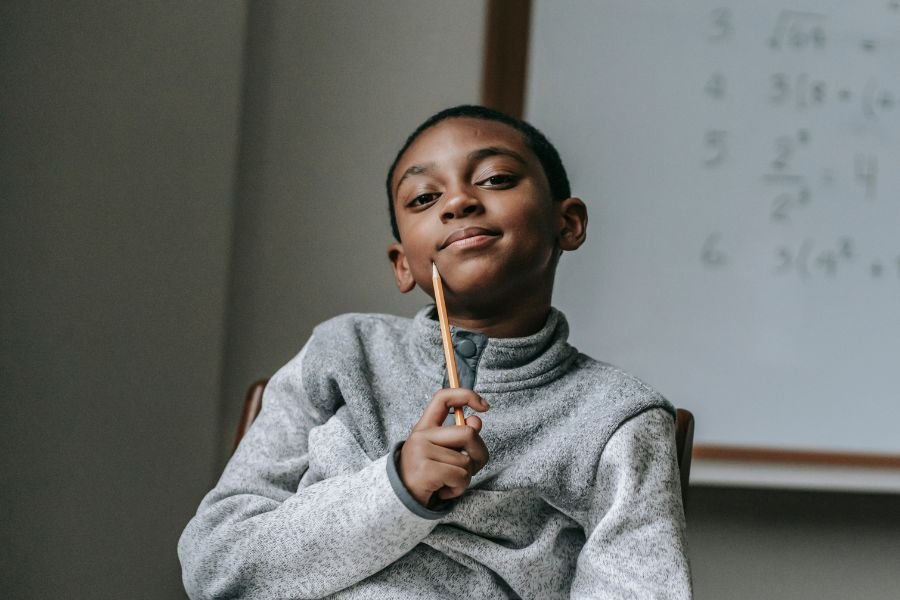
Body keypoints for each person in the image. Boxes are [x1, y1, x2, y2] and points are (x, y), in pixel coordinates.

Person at [178, 105, 692, 599]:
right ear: (402, 264)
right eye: (424, 198)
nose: (458, 203)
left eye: (494, 179)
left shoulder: (619, 416)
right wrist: (396, 487)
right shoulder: (340, 354)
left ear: (569, 223)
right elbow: (214, 564)